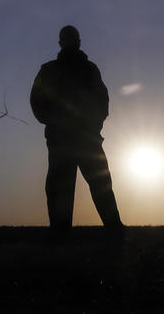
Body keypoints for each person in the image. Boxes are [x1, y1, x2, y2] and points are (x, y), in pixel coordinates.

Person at [30, 25, 123, 235]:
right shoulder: (54, 70)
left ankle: (113, 234)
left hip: (77, 138)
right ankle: (109, 234)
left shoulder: (84, 69)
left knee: (97, 186)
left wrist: (90, 125)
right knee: (89, 187)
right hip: (72, 138)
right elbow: (37, 103)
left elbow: (102, 102)